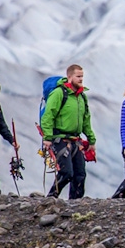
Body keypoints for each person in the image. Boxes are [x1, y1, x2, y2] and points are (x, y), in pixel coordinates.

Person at [41, 64, 96, 199]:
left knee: (80, 175)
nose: (81, 79)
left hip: (75, 140)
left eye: (82, 76)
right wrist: (47, 137)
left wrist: (91, 139)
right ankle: (51, 199)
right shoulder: (59, 93)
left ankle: (75, 205)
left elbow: (86, 120)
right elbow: (48, 115)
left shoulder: (82, 96)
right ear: (69, 77)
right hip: (59, 139)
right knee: (66, 173)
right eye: (78, 76)